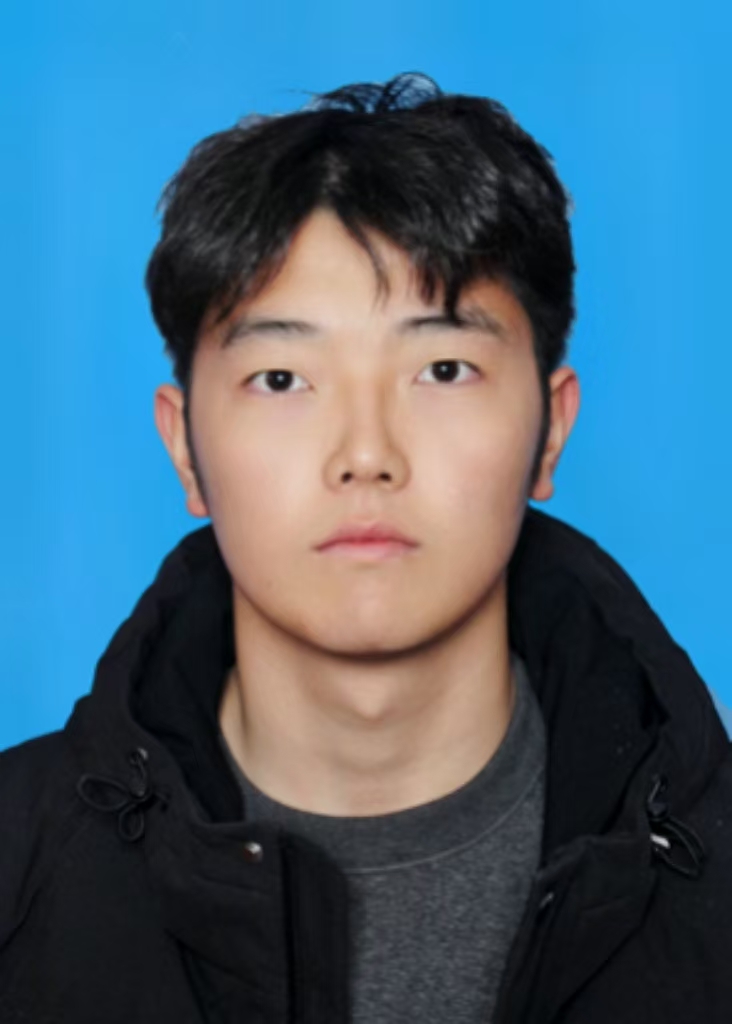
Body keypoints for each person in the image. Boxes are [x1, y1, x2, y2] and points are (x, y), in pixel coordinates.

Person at [1, 72, 730, 1024]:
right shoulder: (17, 864)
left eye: (442, 368)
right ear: (184, 448)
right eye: (281, 379)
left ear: (551, 431)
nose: (366, 454)